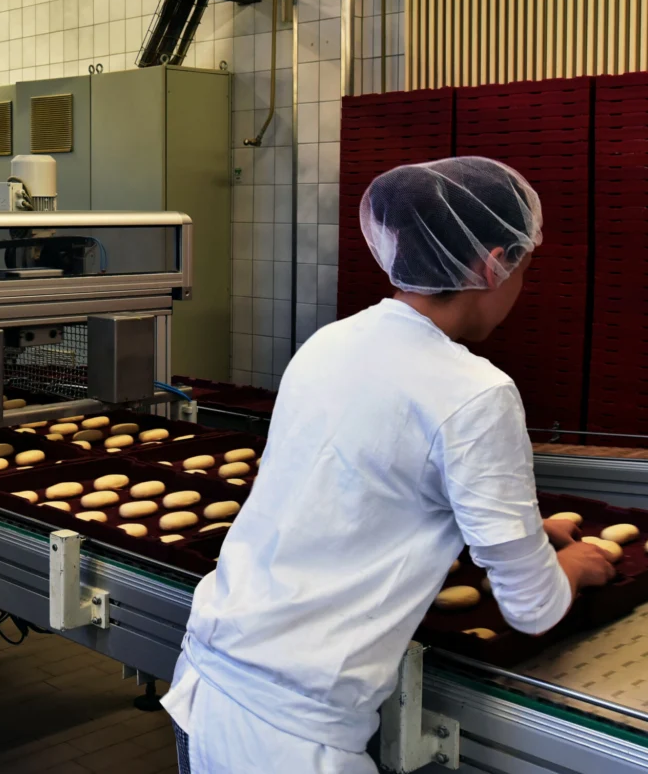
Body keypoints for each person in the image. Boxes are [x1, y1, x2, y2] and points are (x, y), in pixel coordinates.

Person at [162, 156, 616, 774]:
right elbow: (531, 607)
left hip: (207, 681)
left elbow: (370, 497)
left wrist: (527, 536)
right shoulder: (477, 392)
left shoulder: (331, 342)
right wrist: (571, 566)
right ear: (495, 263)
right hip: (292, 734)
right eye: (523, 270)